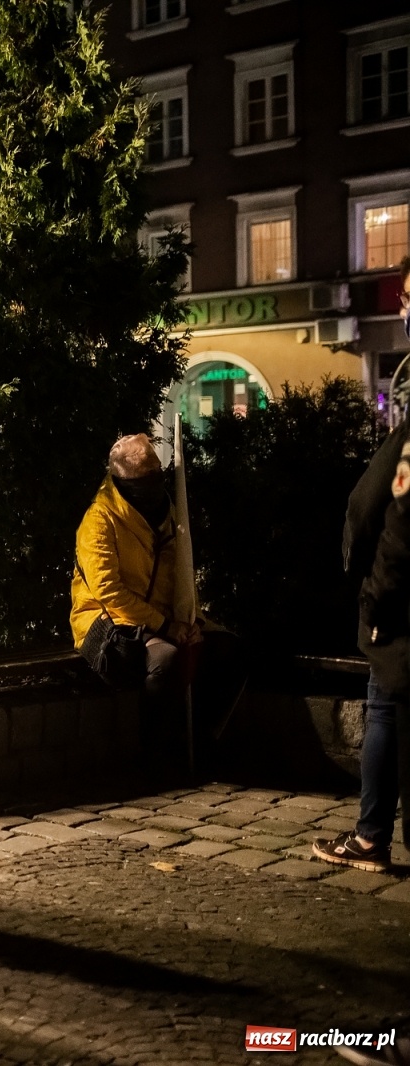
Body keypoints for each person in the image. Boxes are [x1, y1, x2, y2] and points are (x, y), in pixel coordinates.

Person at [321, 254, 410, 879]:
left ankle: (373, 836)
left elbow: (398, 518)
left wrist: (377, 598)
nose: (402, 306)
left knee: (384, 707)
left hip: (402, 607)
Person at [70, 434, 199, 763]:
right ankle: (154, 755)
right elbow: (108, 592)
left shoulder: (165, 511)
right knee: (166, 660)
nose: (156, 481)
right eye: (147, 476)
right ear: (123, 479)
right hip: (105, 626)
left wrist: (186, 620)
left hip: (156, 620)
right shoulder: (98, 520)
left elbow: (175, 573)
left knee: (227, 648)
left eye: (158, 471)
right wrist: (165, 625)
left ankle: (205, 741)